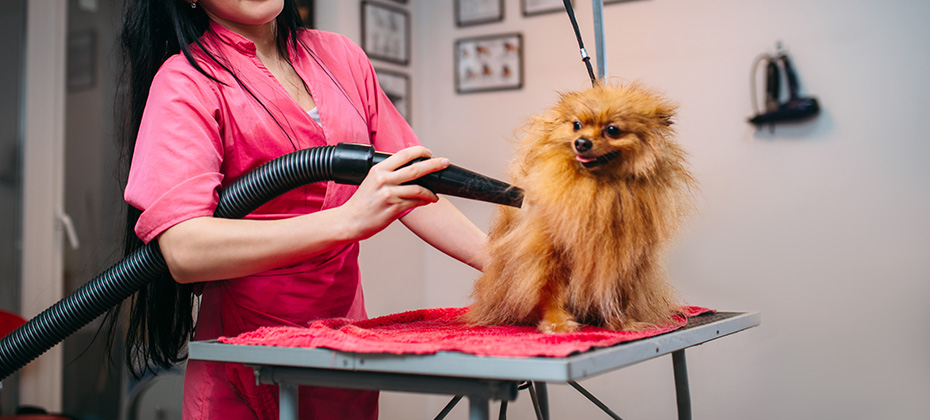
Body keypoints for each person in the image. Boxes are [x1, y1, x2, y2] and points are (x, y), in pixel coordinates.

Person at [111, 1, 488, 419]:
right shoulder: (186, 80)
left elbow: (411, 184)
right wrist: (347, 221)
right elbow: (185, 251)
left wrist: (513, 267)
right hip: (248, 362)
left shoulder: (341, 57)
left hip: (344, 352)